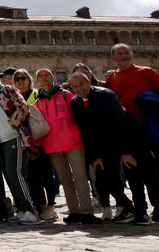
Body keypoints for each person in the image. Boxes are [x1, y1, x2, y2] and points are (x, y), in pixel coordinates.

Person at [70, 71, 156, 225]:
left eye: (81, 84)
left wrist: (126, 152)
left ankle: (142, 213)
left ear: (89, 82)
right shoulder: (75, 102)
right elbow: (86, 132)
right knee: (104, 180)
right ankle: (130, 209)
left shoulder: (106, 96)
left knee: (133, 177)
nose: (79, 89)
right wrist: (95, 156)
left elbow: (123, 124)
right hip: (103, 148)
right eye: (75, 86)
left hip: (124, 141)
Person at [106, 43, 159, 222]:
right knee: (147, 171)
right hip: (133, 132)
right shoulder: (112, 79)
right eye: (119, 53)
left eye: (126, 52)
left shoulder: (147, 71)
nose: (124, 56)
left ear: (131, 54)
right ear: (113, 58)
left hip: (156, 127)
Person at [33, 69, 101, 224]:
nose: (44, 78)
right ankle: (74, 211)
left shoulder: (66, 95)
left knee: (80, 176)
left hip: (73, 142)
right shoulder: (37, 102)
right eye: (40, 76)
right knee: (65, 179)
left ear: (52, 77)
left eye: (47, 75)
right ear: (37, 81)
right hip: (52, 146)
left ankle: (86, 211)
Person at [0, 69, 40, 224]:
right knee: (9, 176)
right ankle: (21, 210)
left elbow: (23, 106)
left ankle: (31, 210)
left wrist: (16, 121)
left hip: (15, 137)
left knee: (16, 175)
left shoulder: (7, 90)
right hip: (0, 143)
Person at [26, 69, 58, 221]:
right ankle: (40, 205)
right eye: (17, 79)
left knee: (46, 174)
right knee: (32, 176)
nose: (20, 81)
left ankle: (51, 205)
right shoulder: (14, 97)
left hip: (42, 139)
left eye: (23, 78)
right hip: (28, 143)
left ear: (30, 80)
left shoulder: (36, 95)